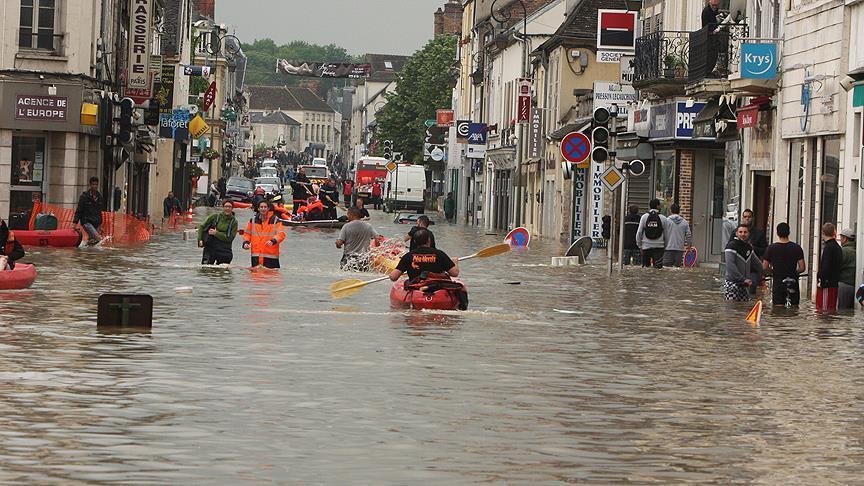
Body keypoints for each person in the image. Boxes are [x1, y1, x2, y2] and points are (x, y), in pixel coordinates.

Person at [390, 228, 459, 282]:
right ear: (429, 241)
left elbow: (393, 277)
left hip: (416, 288)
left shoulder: (408, 256)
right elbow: (454, 273)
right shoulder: (440, 254)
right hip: (436, 288)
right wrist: (455, 262)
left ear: (414, 241)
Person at [763, 222, 806, 307]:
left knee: (778, 309)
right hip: (793, 281)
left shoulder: (771, 248)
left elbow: (764, 266)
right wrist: (794, 273)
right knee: (794, 308)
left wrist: (772, 272)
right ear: (789, 232)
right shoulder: (797, 248)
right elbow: (802, 267)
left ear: (777, 233)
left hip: (778, 282)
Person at [242, 201, 287, 269]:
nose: (263, 209)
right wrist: (246, 242)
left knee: (271, 277)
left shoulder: (275, 220)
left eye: (265, 207)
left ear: (268, 208)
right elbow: (247, 234)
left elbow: (281, 234)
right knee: (255, 277)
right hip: (256, 256)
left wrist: (273, 241)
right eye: (261, 207)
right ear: (258, 209)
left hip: (270, 256)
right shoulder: (253, 220)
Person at [724, 224, 762, 301]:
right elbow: (730, 265)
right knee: (731, 309)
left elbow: (757, 263)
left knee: (743, 309)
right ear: (736, 233)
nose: (743, 234)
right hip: (732, 284)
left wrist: (764, 272)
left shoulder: (749, 248)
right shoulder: (731, 246)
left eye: (745, 232)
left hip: (745, 285)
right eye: (740, 232)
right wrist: (742, 279)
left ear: (749, 234)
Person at [197, 200, 239, 265]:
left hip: (224, 249)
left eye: (230, 207)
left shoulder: (234, 222)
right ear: (223, 207)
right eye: (226, 206)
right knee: (205, 269)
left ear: (232, 208)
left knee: (223, 271)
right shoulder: (214, 216)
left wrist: (216, 233)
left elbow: (230, 238)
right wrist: (200, 239)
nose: (227, 208)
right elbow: (202, 226)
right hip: (210, 247)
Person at [816, 222, 843, 312]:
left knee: (823, 311)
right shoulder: (838, 247)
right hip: (834, 283)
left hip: (826, 285)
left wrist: (822, 281)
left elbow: (825, 266)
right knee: (832, 309)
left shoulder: (828, 248)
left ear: (823, 233)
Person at [635, 198, 668, 268]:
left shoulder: (644, 217)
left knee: (645, 270)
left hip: (646, 247)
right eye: (660, 205)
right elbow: (666, 235)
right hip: (659, 247)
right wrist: (665, 246)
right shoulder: (663, 218)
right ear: (657, 206)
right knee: (658, 271)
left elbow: (639, 233)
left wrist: (640, 246)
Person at [73, 176, 104, 245]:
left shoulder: (100, 197)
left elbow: (99, 212)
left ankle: (85, 249)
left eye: (96, 184)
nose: (95, 186)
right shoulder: (84, 197)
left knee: (93, 242)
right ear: (90, 185)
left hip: (96, 222)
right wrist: (74, 223)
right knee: (98, 238)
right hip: (86, 222)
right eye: (93, 184)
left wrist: (100, 226)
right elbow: (79, 210)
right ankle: (85, 247)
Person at [663, 203, 692, 268]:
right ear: (679, 211)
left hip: (668, 249)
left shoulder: (666, 221)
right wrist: (689, 248)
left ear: (671, 210)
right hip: (679, 250)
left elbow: (663, 234)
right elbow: (689, 236)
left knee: (666, 270)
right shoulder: (684, 222)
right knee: (677, 270)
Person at [838, 227, 857, 309]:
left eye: (841, 237)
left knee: (842, 311)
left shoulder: (843, 251)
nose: (840, 240)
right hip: (854, 285)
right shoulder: (857, 250)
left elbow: (838, 266)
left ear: (845, 238)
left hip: (844, 284)